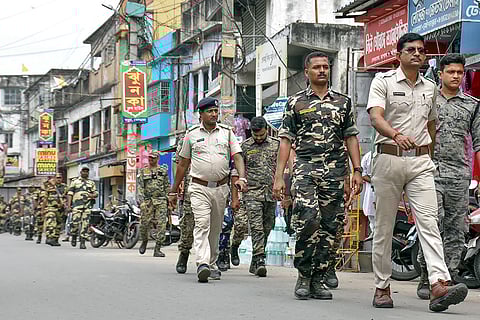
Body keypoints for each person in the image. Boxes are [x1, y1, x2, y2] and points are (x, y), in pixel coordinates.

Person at [367, 32, 468, 312]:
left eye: (421, 50)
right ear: (398, 54)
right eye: (410, 49)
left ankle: (439, 283)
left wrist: (430, 155)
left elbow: (432, 124)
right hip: (389, 159)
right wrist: (395, 134)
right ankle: (382, 286)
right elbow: (375, 116)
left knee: (430, 222)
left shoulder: (430, 88)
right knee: (384, 228)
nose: (417, 54)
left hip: (421, 163)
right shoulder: (382, 81)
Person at [273, 51, 363, 300]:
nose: (322, 70)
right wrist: (280, 176)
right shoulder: (295, 103)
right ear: (307, 72)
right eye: (317, 67)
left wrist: (357, 171)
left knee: (329, 227)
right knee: (309, 217)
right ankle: (304, 274)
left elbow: (351, 137)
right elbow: (285, 141)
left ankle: (319, 278)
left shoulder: (343, 102)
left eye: (326, 66)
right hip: (305, 169)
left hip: (335, 172)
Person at [416, 54, 480, 300]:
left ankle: (447, 277)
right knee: (433, 223)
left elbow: (478, 143)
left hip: (459, 175)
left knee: (456, 228)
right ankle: (426, 276)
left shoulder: (472, 105)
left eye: (459, 73)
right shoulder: (427, 100)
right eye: (451, 72)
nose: (455, 76)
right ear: (440, 74)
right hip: (428, 171)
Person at [168, 97, 247, 283]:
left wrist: (242, 177)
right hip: (198, 187)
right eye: (210, 111)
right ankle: (202, 263)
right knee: (202, 223)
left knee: (215, 228)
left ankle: (211, 264)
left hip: (221, 188)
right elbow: (182, 163)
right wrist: (173, 190)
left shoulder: (227, 133)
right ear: (201, 114)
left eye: (215, 111)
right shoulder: (191, 134)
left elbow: (237, 156)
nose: (214, 114)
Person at [234, 116, 280, 277]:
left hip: (271, 193)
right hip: (252, 192)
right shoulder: (244, 147)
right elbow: (237, 169)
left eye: (261, 135)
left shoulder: (277, 145)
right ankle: (260, 259)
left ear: (266, 130)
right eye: (256, 135)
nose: (259, 138)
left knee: (268, 226)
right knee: (256, 227)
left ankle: (255, 258)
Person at [137, 151, 170, 257]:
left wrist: (169, 200)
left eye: (153, 158)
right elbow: (140, 187)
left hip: (161, 200)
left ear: (157, 159)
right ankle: (144, 241)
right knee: (144, 224)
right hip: (148, 201)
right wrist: (141, 201)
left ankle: (158, 248)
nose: (151, 160)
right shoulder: (143, 171)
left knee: (162, 225)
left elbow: (167, 186)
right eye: (149, 158)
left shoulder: (163, 171)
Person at [175, 134, 195, 273]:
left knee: (213, 226)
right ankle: (184, 253)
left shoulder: (222, 136)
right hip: (191, 188)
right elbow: (179, 163)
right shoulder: (188, 138)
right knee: (188, 224)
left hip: (214, 187)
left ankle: (211, 260)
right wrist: (178, 184)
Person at [66, 167, 98, 249]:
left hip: (87, 206)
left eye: (87, 171)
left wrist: (92, 195)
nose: (85, 173)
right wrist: (69, 206)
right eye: (84, 171)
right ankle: (74, 235)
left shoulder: (91, 183)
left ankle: (82, 242)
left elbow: (95, 193)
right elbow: (70, 194)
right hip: (76, 206)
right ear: (81, 172)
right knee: (75, 223)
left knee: (85, 224)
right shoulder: (75, 181)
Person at [42, 175, 65, 247]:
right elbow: (45, 199)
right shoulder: (49, 188)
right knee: (51, 222)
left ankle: (55, 239)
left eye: (60, 178)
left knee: (58, 224)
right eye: (57, 178)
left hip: (60, 209)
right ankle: (49, 237)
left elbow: (68, 196)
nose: (58, 179)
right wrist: (43, 209)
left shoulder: (65, 187)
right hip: (51, 208)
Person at [361, 151, 376, 237]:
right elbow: (362, 174)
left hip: (385, 190)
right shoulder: (368, 156)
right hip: (371, 192)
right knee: (373, 221)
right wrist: (374, 181)